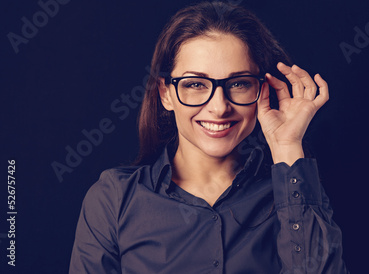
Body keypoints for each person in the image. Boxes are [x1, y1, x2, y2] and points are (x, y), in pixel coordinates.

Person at [70, 1, 349, 273]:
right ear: (166, 94)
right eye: (195, 84)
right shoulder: (114, 199)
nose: (219, 107)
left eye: (238, 83)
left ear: (262, 90)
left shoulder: (292, 193)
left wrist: (287, 146)